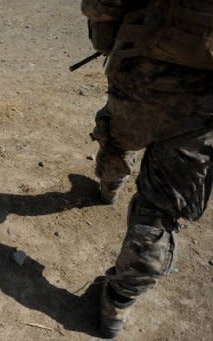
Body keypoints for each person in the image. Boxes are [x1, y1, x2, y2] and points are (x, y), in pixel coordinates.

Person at [80, 0, 213, 338]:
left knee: (118, 139)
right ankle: (116, 305)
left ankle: (109, 185)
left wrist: (106, 40)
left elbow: (102, 6)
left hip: (142, 74)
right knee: (159, 211)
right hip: (205, 103)